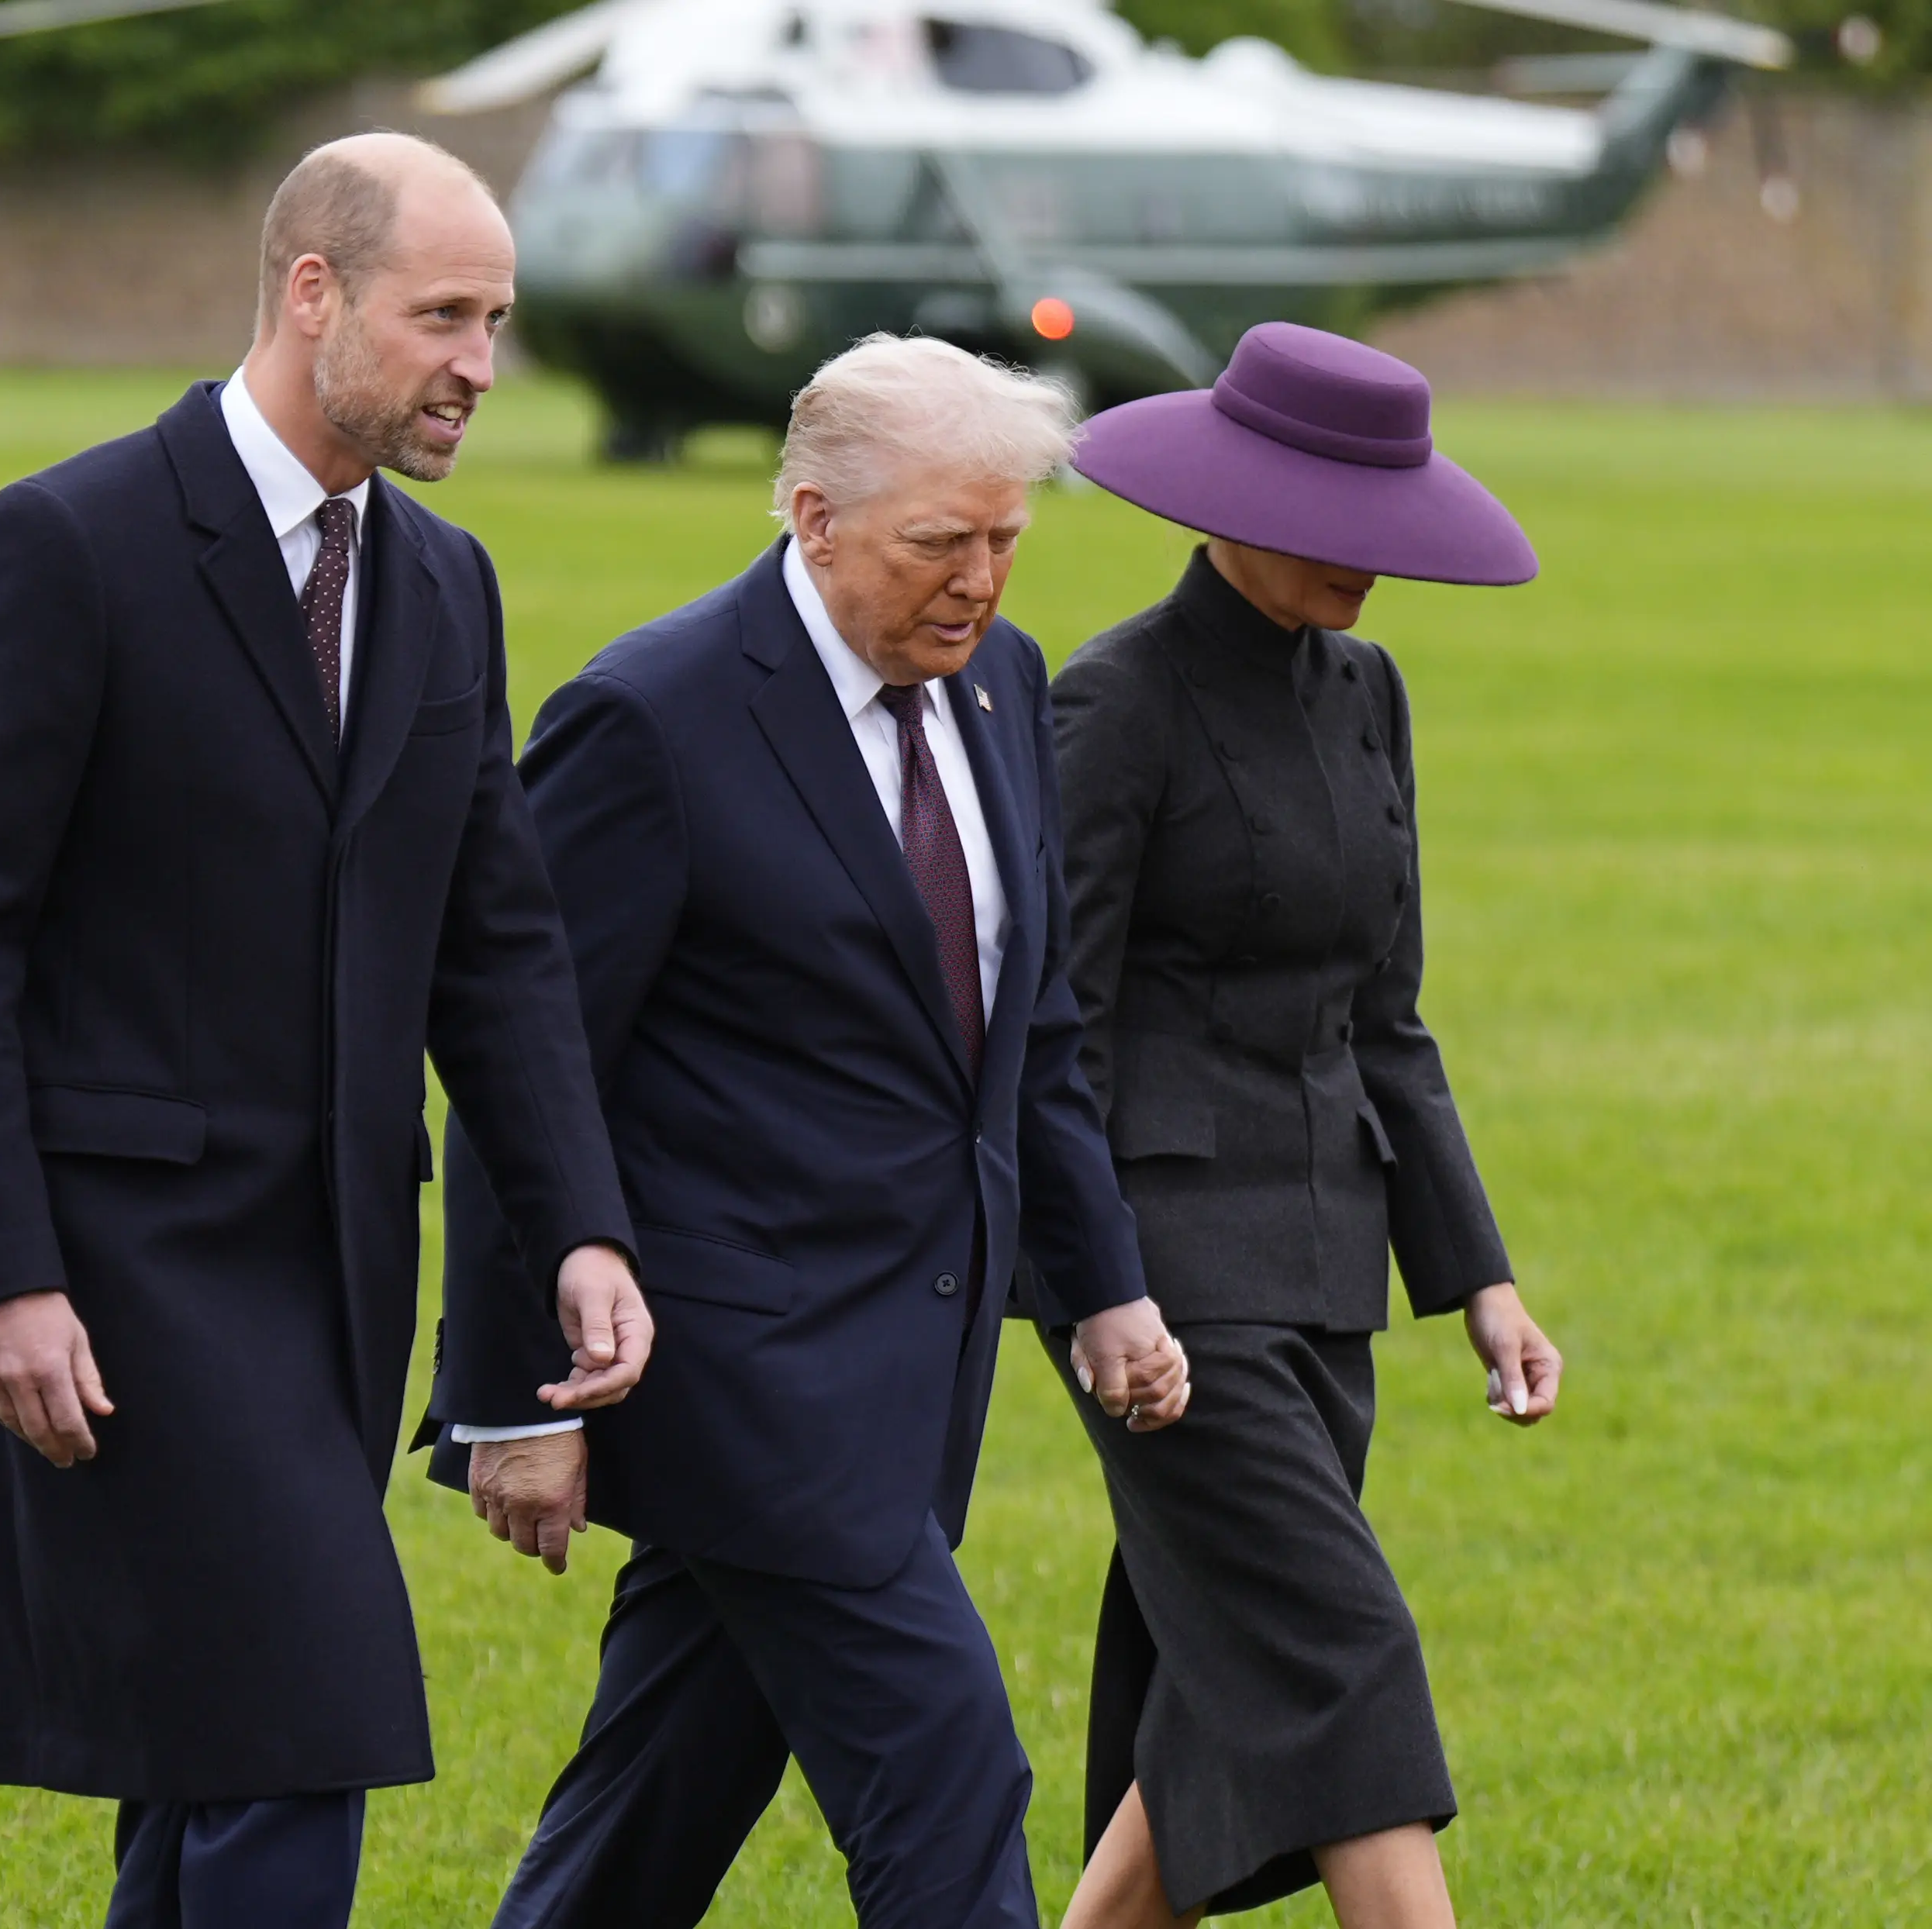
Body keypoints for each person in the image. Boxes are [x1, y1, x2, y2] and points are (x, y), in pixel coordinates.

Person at [0, 133, 652, 1929]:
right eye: (442, 315)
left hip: (336, 1286)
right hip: (122, 1279)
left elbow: (502, 954)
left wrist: (583, 1229)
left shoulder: (447, 584)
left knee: (211, 1761)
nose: (481, 362)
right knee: (310, 1717)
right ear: (312, 294)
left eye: (497, 320)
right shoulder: (62, 544)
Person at [427, 334, 1193, 1929]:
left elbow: (1024, 1028)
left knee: (664, 1783)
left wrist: (1102, 1282)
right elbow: (526, 1065)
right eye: (937, 543)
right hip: (735, 1370)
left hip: (914, 1366)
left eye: (1004, 539)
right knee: (950, 1764)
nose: (976, 580)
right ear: (812, 515)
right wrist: (514, 1395)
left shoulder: (1001, 681)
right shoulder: (651, 715)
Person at [1041, 321, 1567, 1929]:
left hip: (1330, 1265)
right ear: (1231, 493)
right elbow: (1044, 1029)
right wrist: (1091, 1280)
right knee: (1340, 1652)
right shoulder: (1113, 702)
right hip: (1170, 1283)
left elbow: (1386, 1016)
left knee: (1217, 1693)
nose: (1370, 566)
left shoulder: (1367, 692)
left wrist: (1478, 1275)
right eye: (1334, 526)